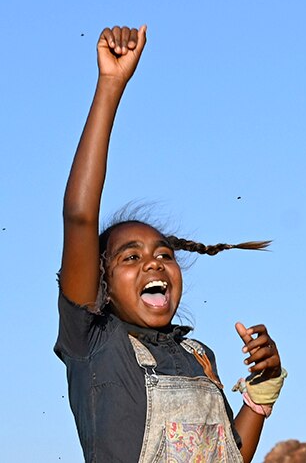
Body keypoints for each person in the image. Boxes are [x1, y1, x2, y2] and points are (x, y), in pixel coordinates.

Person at [56, 25, 286, 463]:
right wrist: (110, 86)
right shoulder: (94, 343)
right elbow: (80, 217)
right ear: (100, 284)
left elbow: (230, 456)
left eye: (164, 254)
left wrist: (263, 387)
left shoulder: (200, 357)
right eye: (131, 257)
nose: (154, 264)